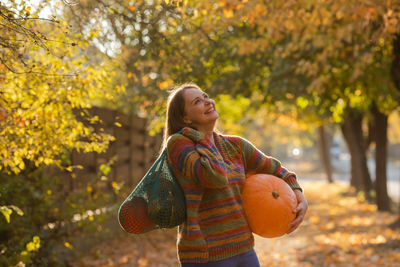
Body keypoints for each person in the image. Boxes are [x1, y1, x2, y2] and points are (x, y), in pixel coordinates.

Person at [163, 83, 308, 266]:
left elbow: (275, 169)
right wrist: (203, 137)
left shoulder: (236, 146)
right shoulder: (179, 144)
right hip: (206, 254)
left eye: (206, 96)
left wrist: (298, 193)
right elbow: (215, 177)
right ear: (186, 118)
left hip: (244, 249)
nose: (208, 102)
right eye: (197, 101)